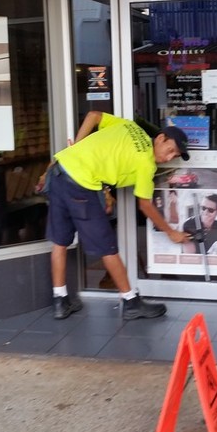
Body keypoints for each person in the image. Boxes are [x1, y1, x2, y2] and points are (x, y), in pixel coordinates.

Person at [37, 111, 191, 320]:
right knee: (108, 247)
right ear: (161, 138)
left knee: (59, 242)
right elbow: (145, 205)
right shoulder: (146, 163)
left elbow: (93, 115)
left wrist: (77, 147)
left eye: (174, 156)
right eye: (170, 150)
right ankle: (130, 302)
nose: (169, 157)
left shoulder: (130, 127)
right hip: (81, 187)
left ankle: (60, 301)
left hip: (59, 171)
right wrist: (171, 232)